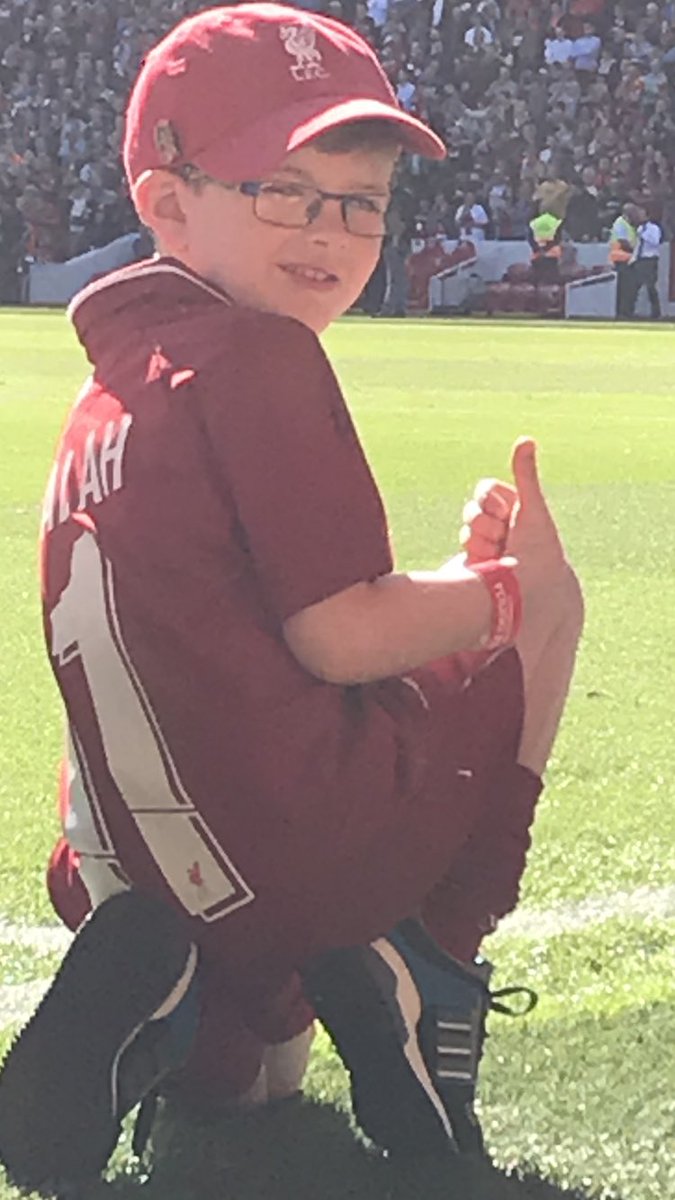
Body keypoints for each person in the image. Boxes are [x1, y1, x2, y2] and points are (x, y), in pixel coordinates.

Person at [0, 4, 583, 1195]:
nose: (331, 229)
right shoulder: (261, 357)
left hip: (135, 862)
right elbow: (342, 634)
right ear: (167, 202)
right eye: (285, 190)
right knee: (552, 607)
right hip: (300, 853)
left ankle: (186, 1028)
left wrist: (440, 586)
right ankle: (432, 961)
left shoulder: (103, 402)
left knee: (262, 1090)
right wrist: (499, 594)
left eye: (361, 201)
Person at [629, 208, 662, 320]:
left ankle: (656, 312)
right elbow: (638, 245)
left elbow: (655, 242)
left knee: (650, 286)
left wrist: (643, 235)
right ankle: (632, 310)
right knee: (635, 285)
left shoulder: (653, 228)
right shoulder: (639, 228)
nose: (639, 216)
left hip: (650, 259)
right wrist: (633, 258)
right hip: (640, 259)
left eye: (641, 214)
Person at [607, 201, 639, 318]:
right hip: (620, 259)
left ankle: (627, 311)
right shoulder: (620, 223)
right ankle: (623, 312)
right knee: (624, 288)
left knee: (630, 287)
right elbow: (623, 241)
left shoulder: (630, 225)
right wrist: (637, 250)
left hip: (628, 259)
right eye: (634, 212)